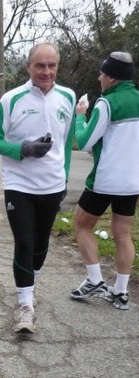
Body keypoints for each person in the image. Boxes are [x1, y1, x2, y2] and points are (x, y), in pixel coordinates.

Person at [0, 42, 75, 333]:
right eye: (40, 65)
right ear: (28, 67)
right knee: (24, 242)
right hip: (19, 185)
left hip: (52, 184)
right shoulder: (11, 99)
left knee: (40, 244)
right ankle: (25, 306)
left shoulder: (68, 97)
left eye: (52, 66)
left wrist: (64, 177)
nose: (46, 72)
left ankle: (30, 283)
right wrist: (23, 149)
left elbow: (66, 143)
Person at [70, 51, 139, 311]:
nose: (99, 78)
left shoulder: (106, 103)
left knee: (82, 225)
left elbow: (84, 142)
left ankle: (95, 279)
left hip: (105, 179)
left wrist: (80, 116)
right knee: (123, 233)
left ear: (111, 77)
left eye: (101, 74)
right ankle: (121, 292)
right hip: (133, 181)